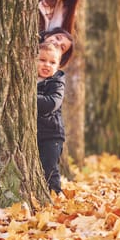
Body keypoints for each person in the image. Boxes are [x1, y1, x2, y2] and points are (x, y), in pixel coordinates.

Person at [37, 42, 66, 194]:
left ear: (58, 64)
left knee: (49, 168)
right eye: (42, 60)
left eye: (52, 62)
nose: (47, 65)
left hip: (51, 135)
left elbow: (51, 104)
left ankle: (56, 195)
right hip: (34, 134)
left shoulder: (57, 82)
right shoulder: (29, 80)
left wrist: (28, 97)